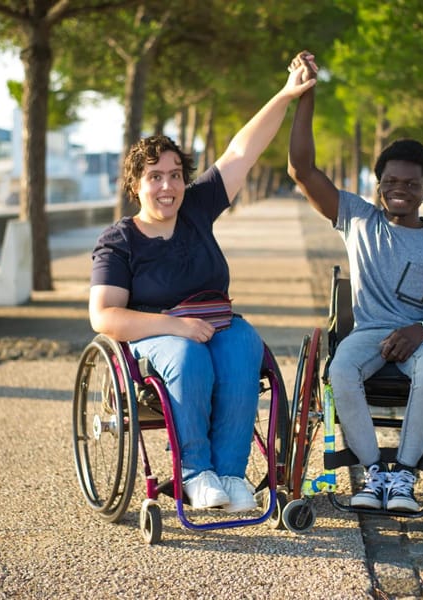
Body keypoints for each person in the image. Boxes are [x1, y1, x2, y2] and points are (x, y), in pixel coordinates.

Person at [89, 53, 317, 513]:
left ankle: (230, 475)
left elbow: (241, 151)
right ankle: (194, 473)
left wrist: (288, 93)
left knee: (242, 348)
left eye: (175, 175)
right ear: (136, 185)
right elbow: (105, 316)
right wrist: (175, 327)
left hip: (215, 323)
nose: (167, 186)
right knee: (189, 355)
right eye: (155, 177)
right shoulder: (120, 240)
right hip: (156, 338)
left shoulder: (195, 209)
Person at [287, 52, 423, 513]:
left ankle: (404, 477)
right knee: (340, 371)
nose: (399, 189)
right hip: (367, 333)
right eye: (390, 181)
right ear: (378, 185)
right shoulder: (358, 220)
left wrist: (419, 331)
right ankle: (373, 475)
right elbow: (301, 170)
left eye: (410, 183)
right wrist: (305, 95)